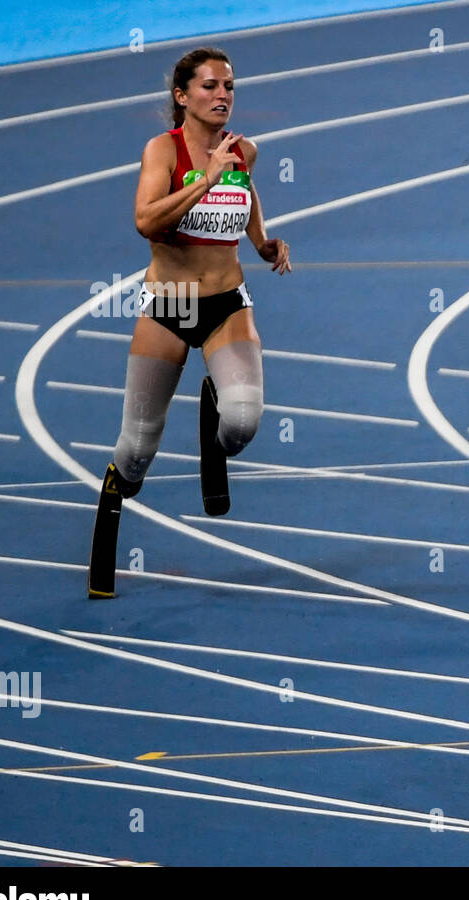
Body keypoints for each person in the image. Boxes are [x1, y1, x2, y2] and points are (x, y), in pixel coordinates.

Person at [87, 47, 291, 598]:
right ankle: (106, 538)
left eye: (229, 85)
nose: (223, 95)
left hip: (227, 301)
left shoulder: (244, 151)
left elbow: (246, 198)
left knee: (242, 424)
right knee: (134, 455)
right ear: (182, 97)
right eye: (209, 86)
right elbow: (145, 221)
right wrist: (204, 178)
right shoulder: (162, 150)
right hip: (171, 303)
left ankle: (212, 417)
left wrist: (262, 242)